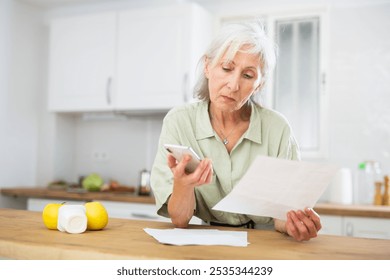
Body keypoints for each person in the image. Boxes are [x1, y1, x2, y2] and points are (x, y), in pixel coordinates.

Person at [150, 21, 321, 242]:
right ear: (207, 67)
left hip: (266, 243)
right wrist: (184, 184)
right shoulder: (179, 122)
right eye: (227, 68)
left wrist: (295, 223)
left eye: (248, 76)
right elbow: (180, 220)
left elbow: (282, 216)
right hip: (206, 241)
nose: (233, 85)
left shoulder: (277, 130)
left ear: (259, 85)